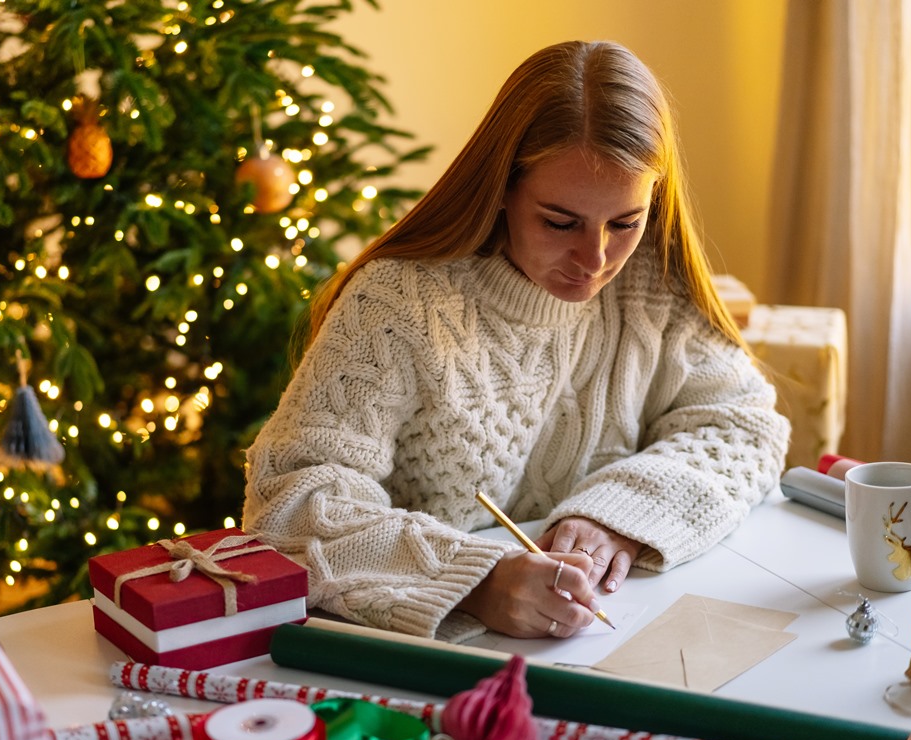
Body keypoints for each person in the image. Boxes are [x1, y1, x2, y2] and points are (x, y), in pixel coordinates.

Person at [242, 40, 790, 643]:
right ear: (501, 186)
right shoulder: (398, 302)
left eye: (626, 222)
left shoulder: (650, 285)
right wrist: (476, 581)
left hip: (601, 642)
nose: (596, 259)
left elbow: (745, 426)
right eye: (560, 222)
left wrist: (617, 517)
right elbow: (292, 501)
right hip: (433, 659)